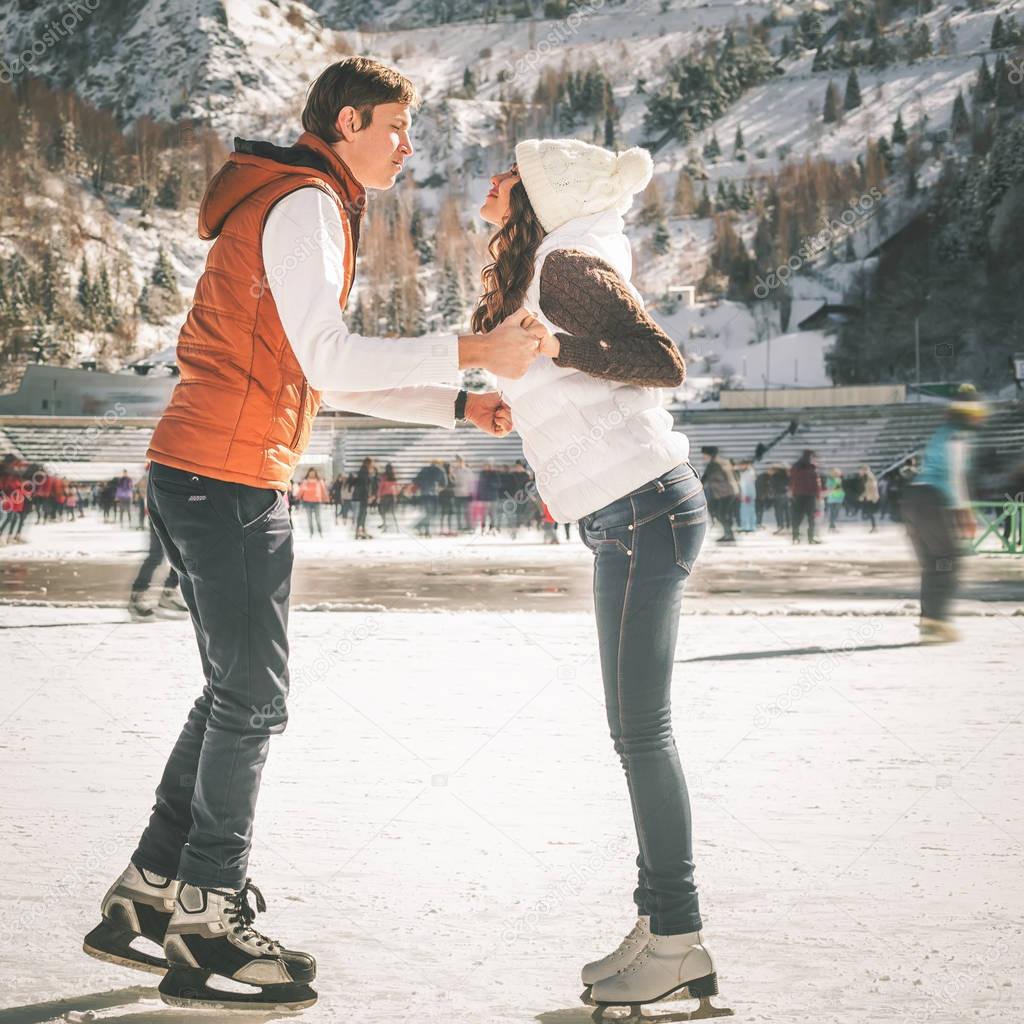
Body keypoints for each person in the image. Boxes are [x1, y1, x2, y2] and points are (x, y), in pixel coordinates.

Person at [83, 57, 549, 1012]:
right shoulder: (306, 203)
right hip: (224, 472)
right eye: (395, 127)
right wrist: (474, 352)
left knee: (234, 695)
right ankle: (206, 919)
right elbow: (329, 356)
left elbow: (324, 378)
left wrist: (459, 403)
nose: (407, 146)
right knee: (252, 702)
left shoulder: (301, 197)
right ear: (346, 122)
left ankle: (149, 893)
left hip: (216, 467)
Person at [473, 138, 729, 1017]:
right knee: (634, 733)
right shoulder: (554, 261)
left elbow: (661, 360)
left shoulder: (568, 263)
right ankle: (662, 924)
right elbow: (579, 368)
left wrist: (561, 348)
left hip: (647, 512)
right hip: (624, 517)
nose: (487, 193)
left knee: (642, 734)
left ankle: (677, 939)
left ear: (540, 193)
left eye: (504, 179)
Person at [901, 393, 988, 642]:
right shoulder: (959, 436)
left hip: (913, 498)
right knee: (948, 561)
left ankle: (931, 621)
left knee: (934, 564)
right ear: (971, 415)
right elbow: (955, 476)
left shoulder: (942, 432)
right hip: (933, 499)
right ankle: (937, 622)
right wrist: (965, 512)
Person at [700, 446, 738, 542]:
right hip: (730, 491)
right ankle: (728, 534)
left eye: (704, 454)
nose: (703, 456)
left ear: (709, 454)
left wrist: (698, 485)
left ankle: (729, 535)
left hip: (725, 492)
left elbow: (705, 478)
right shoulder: (722, 461)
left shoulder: (713, 464)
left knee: (721, 514)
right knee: (723, 513)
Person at [789, 449, 821, 544]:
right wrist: (818, 494)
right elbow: (816, 483)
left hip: (798, 494)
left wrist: (793, 492)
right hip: (810, 495)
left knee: (797, 516)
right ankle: (811, 537)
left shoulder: (795, 467)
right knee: (811, 517)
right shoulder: (812, 468)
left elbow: (792, 481)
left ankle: (795, 537)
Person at [297, 467, 329, 538]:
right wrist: (298, 497)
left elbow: (323, 490)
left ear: (315, 474)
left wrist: (326, 498)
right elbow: (301, 490)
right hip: (307, 501)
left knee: (318, 518)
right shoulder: (305, 481)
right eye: (310, 473)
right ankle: (311, 533)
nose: (312, 475)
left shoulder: (319, 481)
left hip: (317, 501)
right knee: (309, 518)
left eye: (313, 473)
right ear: (308, 473)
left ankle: (320, 532)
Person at [377, 463, 401, 532]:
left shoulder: (384, 476)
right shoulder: (393, 476)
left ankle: (385, 527)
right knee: (392, 513)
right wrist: (396, 495)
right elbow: (396, 487)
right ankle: (397, 528)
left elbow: (380, 487)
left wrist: (378, 496)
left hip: (384, 496)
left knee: (382, 512)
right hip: (392, 496)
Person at [735, 459, 757, 532]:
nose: (740, 467)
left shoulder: (747, 473)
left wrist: (744, 495)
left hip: (747, 494)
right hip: (749, 494)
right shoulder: (749, 472)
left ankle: (747, 526)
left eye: (741, 465)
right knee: (749, 510)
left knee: (746, 510)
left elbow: (745, 485)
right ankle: (750, 526)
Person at [859, 464, 880, 532]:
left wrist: (874, 496)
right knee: (870, 512)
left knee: (870, 512)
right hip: (870, 496)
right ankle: (874, 527)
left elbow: (872, 487)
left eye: (861, 470)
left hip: (871, 497)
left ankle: (874, 527)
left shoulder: (869, 476)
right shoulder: (868, 476)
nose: (860, 472)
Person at [825, 467, 845, 532]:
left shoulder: (840, 479)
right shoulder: (829, 480)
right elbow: (829, 488)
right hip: (832, 498)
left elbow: (842, 488)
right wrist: (836, 485)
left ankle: (832, 526)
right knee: (832, 513)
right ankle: (832, 527)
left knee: (836, 513)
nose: (836, 474)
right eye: (835, 473)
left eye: (837, 473)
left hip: (839, 498)